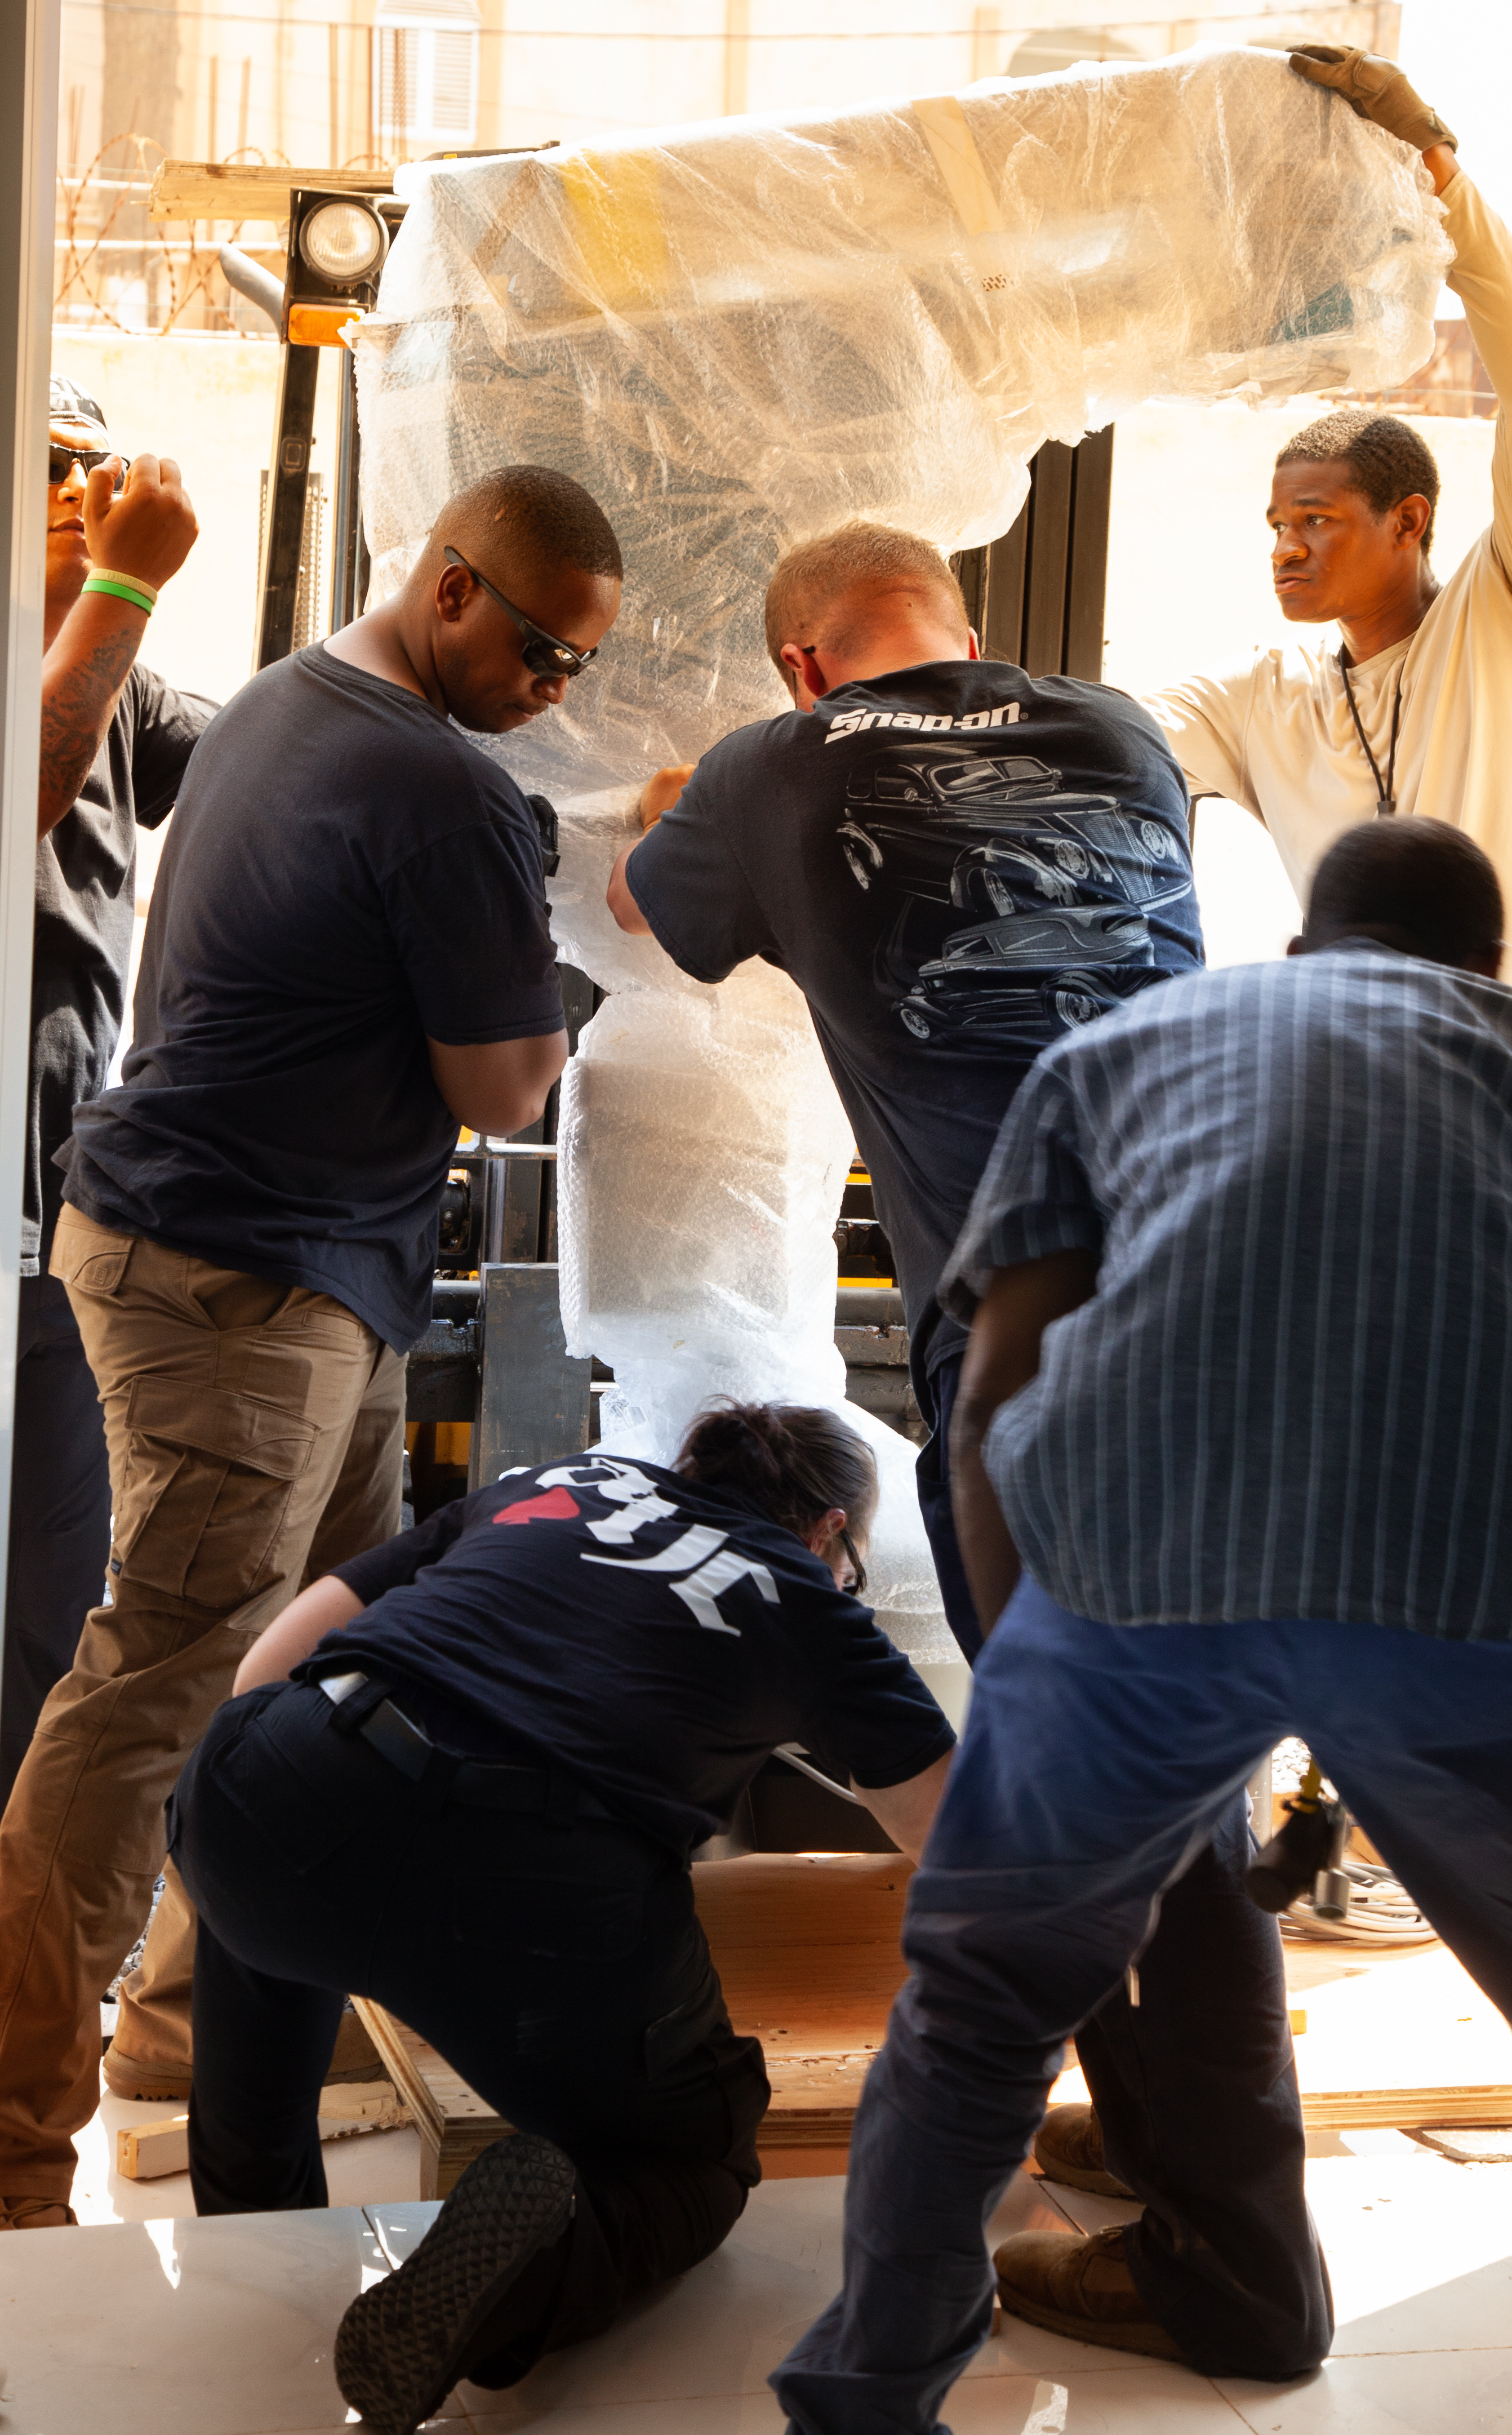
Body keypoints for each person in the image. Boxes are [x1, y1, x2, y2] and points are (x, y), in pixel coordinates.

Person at [772, 818, 1512, 2435]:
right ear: (1485, 967)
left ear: (1300, 949)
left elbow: (997, 1389)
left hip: (1135, 1570)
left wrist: (1037, 1669)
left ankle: (861, 2401)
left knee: (977, 2015)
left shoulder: (1115, 1051)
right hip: (1454, 1586)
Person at [609, 525, 1333, 2379]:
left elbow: (646, 900)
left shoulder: (778, 767)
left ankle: (1240, 2273)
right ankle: (1165, 2143)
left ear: (800, 664)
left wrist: (690, 803)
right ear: (966, 628)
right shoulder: (1118, 733)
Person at [1145, 45, 1512, 1908]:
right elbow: (1117, 740)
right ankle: (1404, 1836)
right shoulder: (1264, 697)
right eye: (1271, 522)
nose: (1284, 547)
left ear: (1410, 520)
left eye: (1317, 519)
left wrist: (1431, 164)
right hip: (1445, 1135)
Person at [0, 464, 621, 2230]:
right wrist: (561, 967)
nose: (552, 688)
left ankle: (194, 2034)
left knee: (317, 1663)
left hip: (281, 1264)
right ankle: (11, 2128)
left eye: (579, 665)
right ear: (450, 587)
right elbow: (503, 1089)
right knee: (158, 1680)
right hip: (242, 1281)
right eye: (541, 649)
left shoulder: (292, 695)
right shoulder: (438, 784)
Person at [168, 1400, 953, 2435]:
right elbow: (959, 1840)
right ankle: (517, 2284)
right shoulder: (806, 1600)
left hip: (270, 1781)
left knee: (269, 1897)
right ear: (827, 1532)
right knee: (696, 2157)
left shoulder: (557, 1482)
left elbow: (267, 1667)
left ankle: (249, 2258)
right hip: (528, 1878)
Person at [4, 376, 203, 1811]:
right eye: (49, 464)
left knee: (54, 1598)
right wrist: (128, 583)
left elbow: (310, 751)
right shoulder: (80, 666)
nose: (82, 489)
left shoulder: (128, 692)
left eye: (96, 462)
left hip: (58, 1216)